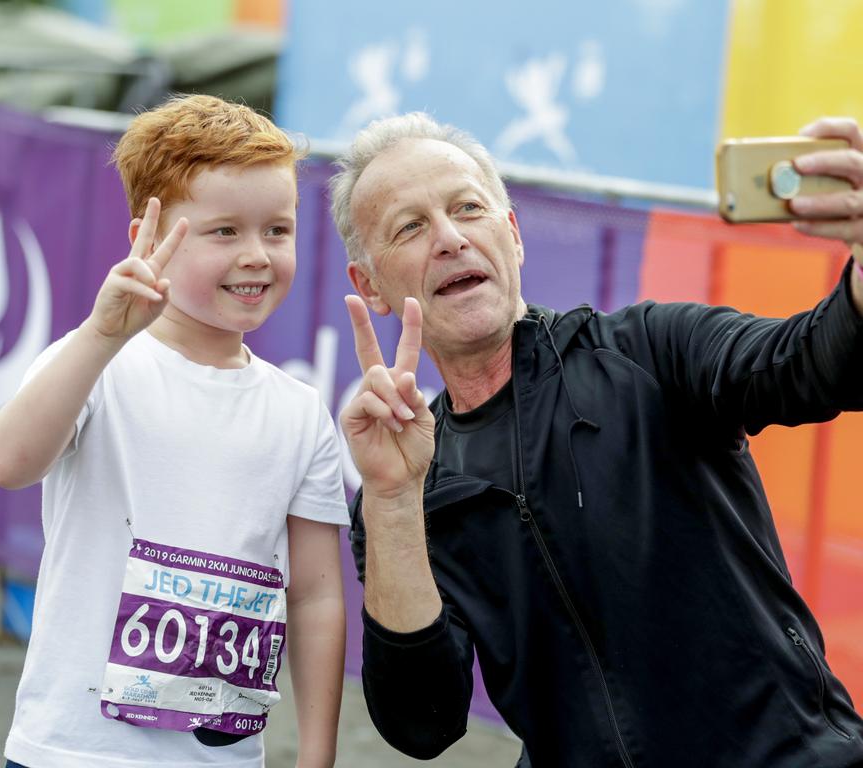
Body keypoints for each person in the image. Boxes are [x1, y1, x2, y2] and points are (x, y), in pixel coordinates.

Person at [331, 112, 863, 767]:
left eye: (468, 208)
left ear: (513, 235)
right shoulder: (400, 490)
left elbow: (813, 365)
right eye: (410, 227)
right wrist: (390, 500)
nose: (449, 239)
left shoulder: (649, 350)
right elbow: (422, 721)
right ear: (370, 287)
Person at [0, 95, 348, 768]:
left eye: (278, 230)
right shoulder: (95, 363)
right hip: (74, 751)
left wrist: (316, 755)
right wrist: (99, 337)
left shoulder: (300, 412)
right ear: (147, 241)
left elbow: (317, 594)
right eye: (223, 231)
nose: (257, 256)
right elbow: (7, 462)